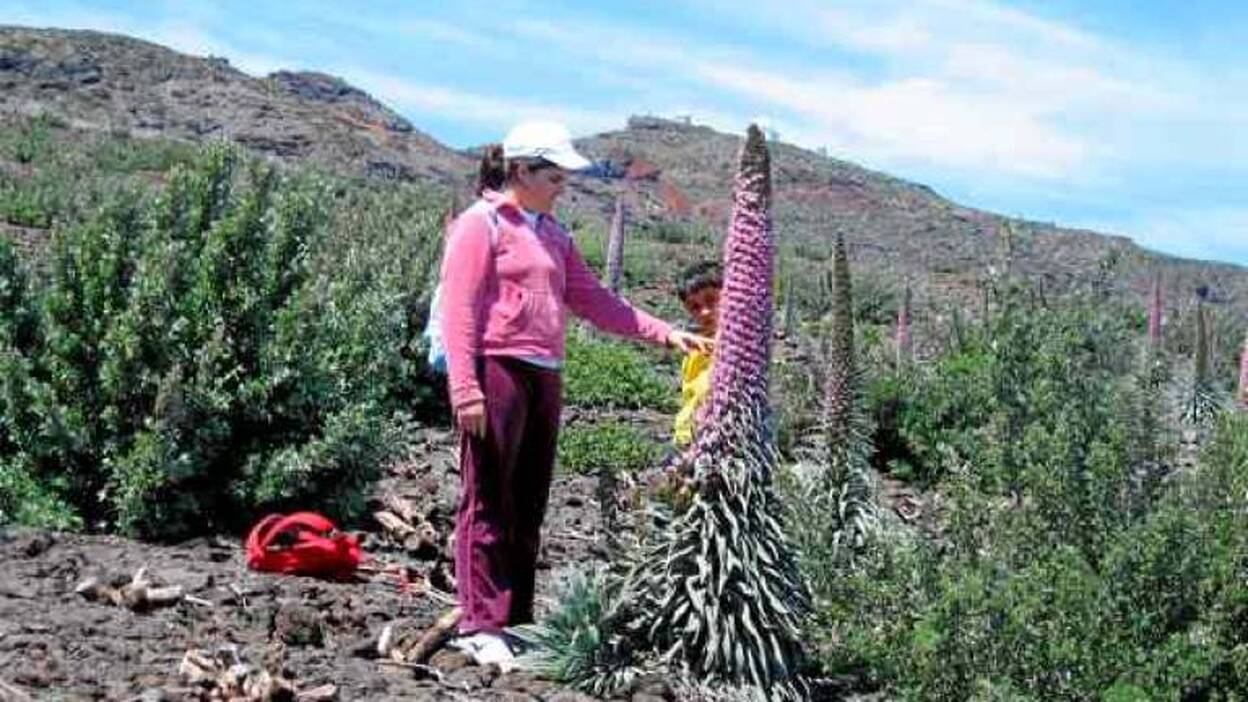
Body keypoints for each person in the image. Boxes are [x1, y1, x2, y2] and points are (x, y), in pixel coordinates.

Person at [438, 120, 712, 667]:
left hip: (546, 372)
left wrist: (664, 332)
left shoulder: (553, 235)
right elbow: (459, 309)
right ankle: (479, 622)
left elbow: (594, 300)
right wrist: (465, 389)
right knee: (488, 495)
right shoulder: (480, 223)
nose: (563, 184)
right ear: (521, 170)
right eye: (554, 174)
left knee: (529, 499)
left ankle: (515, 620)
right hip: (498, 368)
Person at [671, 261, 722, 447]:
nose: (705, 312)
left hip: (718, 440)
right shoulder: (693, 348)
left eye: (711, 300)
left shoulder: (741, 346)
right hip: (688, 440)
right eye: (695, 307)